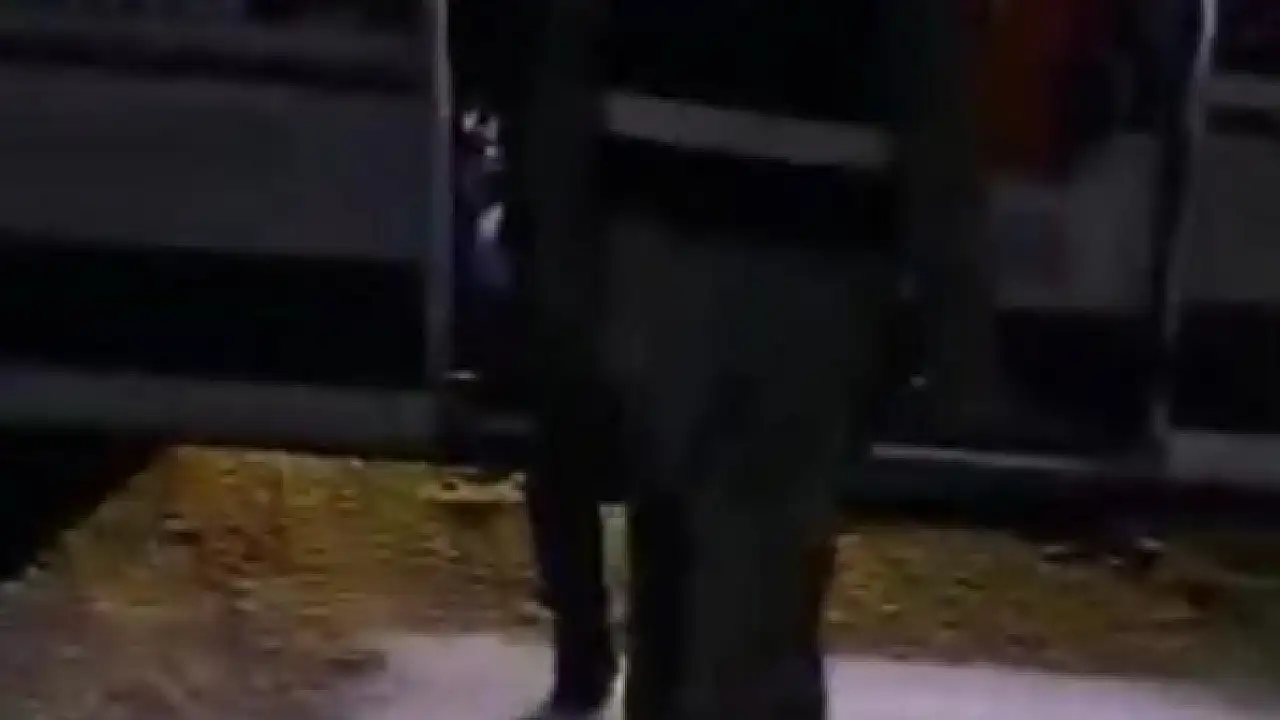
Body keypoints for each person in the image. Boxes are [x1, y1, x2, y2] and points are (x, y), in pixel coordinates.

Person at [500, 0, 999, 718]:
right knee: (758, 568)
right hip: (812, 265)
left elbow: (566, 80)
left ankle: (671, 690)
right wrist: (957, 332)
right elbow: (933, 116)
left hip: (652, 247)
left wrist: (566, 272)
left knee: (674, 540)